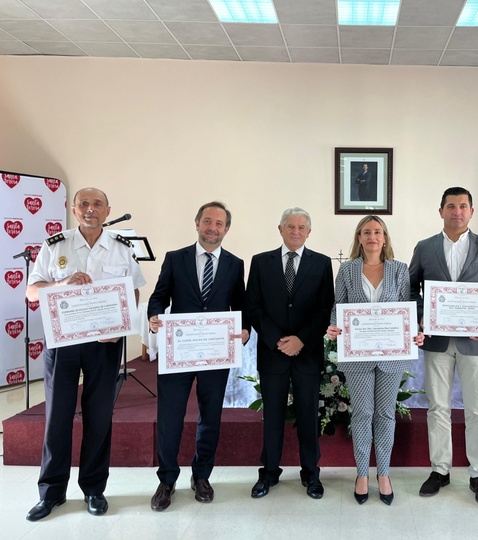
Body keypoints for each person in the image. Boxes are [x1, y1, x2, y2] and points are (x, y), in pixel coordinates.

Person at [25, 187, 146, 521]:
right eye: (84, 204)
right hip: (62, 342)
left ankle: (94, 488)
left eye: (97, 204)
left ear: (108, 211)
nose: (90, 209)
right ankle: (51, 493)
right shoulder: (55, 245)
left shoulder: (122, 248)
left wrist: (121, 328)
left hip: (105, 345)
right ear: (74, 210)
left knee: (98, 416)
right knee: (57, 418)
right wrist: (63, 285)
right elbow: (32, 290)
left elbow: (132, 291)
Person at [409, 186, 478, 505]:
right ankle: (440, 469)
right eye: (450, 206)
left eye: (463, 206)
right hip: (436, 341)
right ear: (441, 211)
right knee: (438, 407)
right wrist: (423, 318)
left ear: (471, 211)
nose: (457, 211)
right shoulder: (425, 248)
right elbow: (411, 290)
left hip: (474, 343)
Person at [147, 201, 250, 511]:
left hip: (216, 354)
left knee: (210, 417)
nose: (212, 228)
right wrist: (154, 316)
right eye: (207, 221)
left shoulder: (234, 263)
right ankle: (167, 480)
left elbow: (240, 305)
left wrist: (244, 330)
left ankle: (201, 475)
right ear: (196, 223)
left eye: (219, 223)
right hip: (178, 353)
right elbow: (158, 296)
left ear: (227, 229)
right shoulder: (175, 258)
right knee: (170, 419)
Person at [326, 215, 424, 505]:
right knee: (362, 413)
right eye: (366, 232)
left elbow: (407, 308)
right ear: (359, 238)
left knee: (384, 413)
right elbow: (338, 306)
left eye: (377, 231)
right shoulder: (347, 270)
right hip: (357, 356)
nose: (372, 236)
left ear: (385, 238)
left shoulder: (399, 270)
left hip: (391, 357)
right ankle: (361, 473)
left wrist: (415, 333)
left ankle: (383, 472)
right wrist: (333, 327)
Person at [246, 208, 334, 499]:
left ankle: (311, 474)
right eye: (290, 226)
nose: (296, 231)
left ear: (309, 232)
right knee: (272, 416)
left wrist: (302, 340)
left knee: (309, 416)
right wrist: (277, 340)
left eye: (301, 227)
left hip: (306, 353)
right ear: (280, 229)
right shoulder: (261, 262)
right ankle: (269, 473)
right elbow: (254, 307)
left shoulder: (321, 264)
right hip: (273, 352)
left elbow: (325, 309)